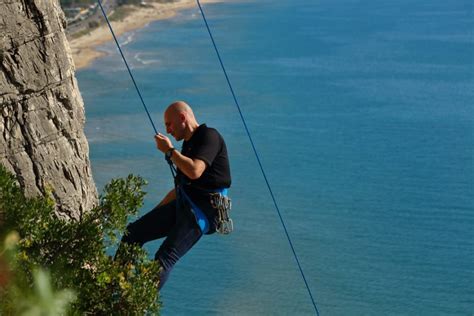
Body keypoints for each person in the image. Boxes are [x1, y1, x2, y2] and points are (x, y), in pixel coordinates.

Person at [116, 101, 232, 290]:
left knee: (165, 257)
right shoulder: (187, 145)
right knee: (133, 233)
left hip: (203, 212)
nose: (168, 130)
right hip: (185, 204)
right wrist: (151, 216)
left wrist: (170, 151)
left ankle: (132, 306)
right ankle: (112, 284)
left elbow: (195, 171)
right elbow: (179, 188)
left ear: (182, 118)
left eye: (169, 124)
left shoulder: (209, 136)